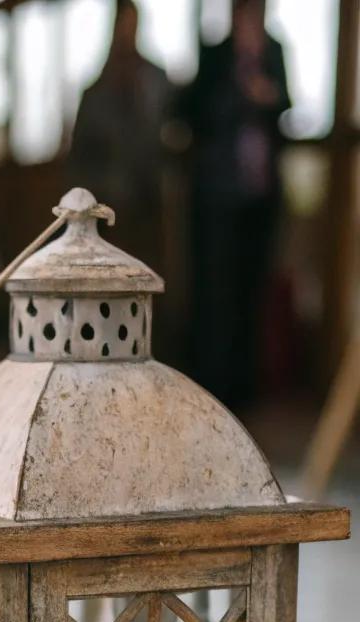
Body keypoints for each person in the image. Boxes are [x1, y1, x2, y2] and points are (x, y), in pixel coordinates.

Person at [181, 0, 291, 409]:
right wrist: (237, 93)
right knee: (216, 294)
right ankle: (213, 388)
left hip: (259, 193)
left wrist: (266, 97)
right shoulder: (216, 54)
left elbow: (286, 105)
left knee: (252, 291)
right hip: (218, 198)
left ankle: (246, 391)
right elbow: (189, 114)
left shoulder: (275, 51)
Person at [68, 0, 170, 275]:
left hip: (147, 194)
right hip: (105, 197)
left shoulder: (155, 79)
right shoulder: (96, 91)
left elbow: (166, 131)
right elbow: (80, 149)